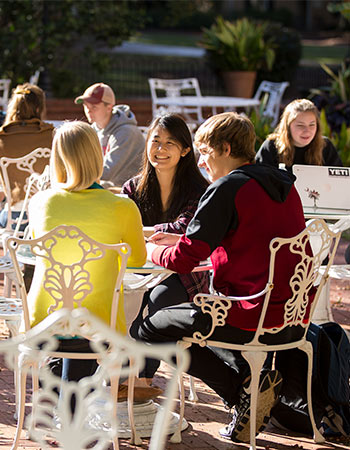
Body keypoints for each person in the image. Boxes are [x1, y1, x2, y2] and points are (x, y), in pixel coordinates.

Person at [138, 112, 311, 443]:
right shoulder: (285, 187)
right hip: (291, 316)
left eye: (206, 152)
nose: (203, 162)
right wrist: (182, 238)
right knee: (183, 319)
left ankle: (241, 394)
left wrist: (148, 251)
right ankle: (250, 391)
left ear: (226, 148)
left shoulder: (227, 188)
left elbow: (184, 261)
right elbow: (249, 237)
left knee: (151, 326)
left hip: (246, 313)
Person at [28, 120, 158, 402]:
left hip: (44, 320)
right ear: (97, 155)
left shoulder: (39, 202)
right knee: (96, 314)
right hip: (98, 324)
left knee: (71, 324)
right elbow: (137, 261)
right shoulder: (122, 207)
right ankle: (71, 411)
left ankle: (61, 400)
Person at [121, 113, 210, 383]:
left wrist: (142, 231)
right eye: (155, 141)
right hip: (138, 270)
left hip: (183, 273)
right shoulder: (133, 188)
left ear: (185, 150)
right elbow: (120, 226)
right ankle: (123, 381)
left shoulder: (199, 190)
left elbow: (185, 229)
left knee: (156, 303)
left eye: (170, 143)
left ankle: (142, 381)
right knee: (123, 303)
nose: (160, 149)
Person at [0, 83, 54, 227]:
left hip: (13, 220)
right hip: (47, 216)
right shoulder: (53, 135)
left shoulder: (2, 138)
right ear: (39, 108)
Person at [74, 82, 145, 187]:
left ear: (109, 107)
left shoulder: (126, 132)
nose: (88, 111)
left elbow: (106, 172)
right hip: (110, 189)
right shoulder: (93, 129)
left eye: (94, 107)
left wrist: (73, 176)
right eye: (85, 106)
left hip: (130, 192)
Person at [255, 98, 343, 170]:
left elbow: (338, 182)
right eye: (300, 125)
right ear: (288, 127)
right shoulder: (271, 146)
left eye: (312, 125)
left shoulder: (325, 146)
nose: (307, 131)